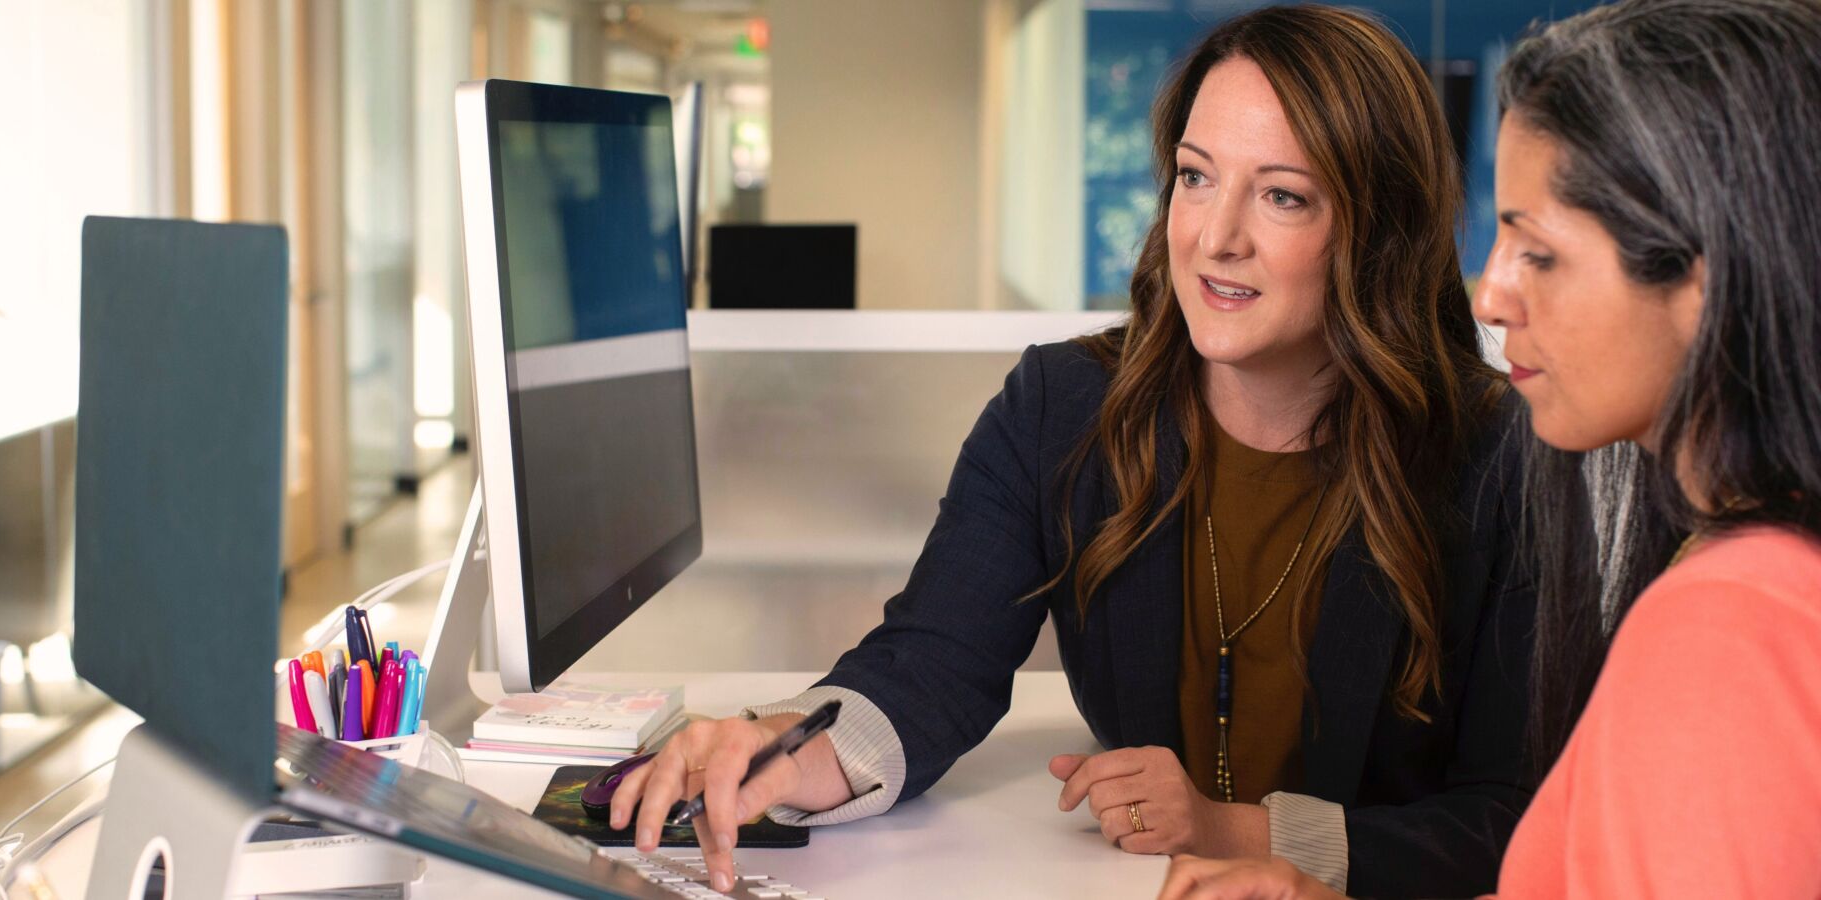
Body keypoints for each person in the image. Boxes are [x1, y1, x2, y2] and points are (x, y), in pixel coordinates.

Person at [614, 7, 1536, 898]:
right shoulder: (1064, 408)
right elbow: (930, 664)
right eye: (1196, 177)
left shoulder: (1496, 458)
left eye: (1283, 195)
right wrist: (777, 751)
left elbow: (1514, 816)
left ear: (1376, 233)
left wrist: (1239, 830)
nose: (1215, 238)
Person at [1158, 1, 1821, 897]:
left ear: (1705, 282)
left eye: (1538, 252)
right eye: (1194, 178)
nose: (1494, 295)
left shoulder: (1731, 627)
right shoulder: (1743, 570)